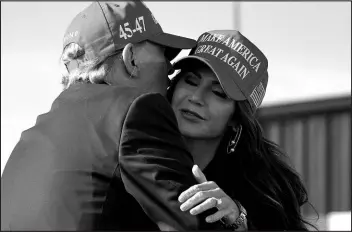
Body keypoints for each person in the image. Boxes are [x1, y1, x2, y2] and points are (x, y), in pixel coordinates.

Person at [1, 2, 224, 230]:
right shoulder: (137, 110)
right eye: (163, 54)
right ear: (132, 60)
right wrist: (238, 220)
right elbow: (193, 225)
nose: (170, 68)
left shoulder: (29, 139)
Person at [163, 30, 317, 230]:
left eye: (219, 93)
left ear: (236, 118)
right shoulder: (131, 149)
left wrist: (238, 220)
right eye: (191, 81)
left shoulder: (264, 191)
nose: (196, 97)